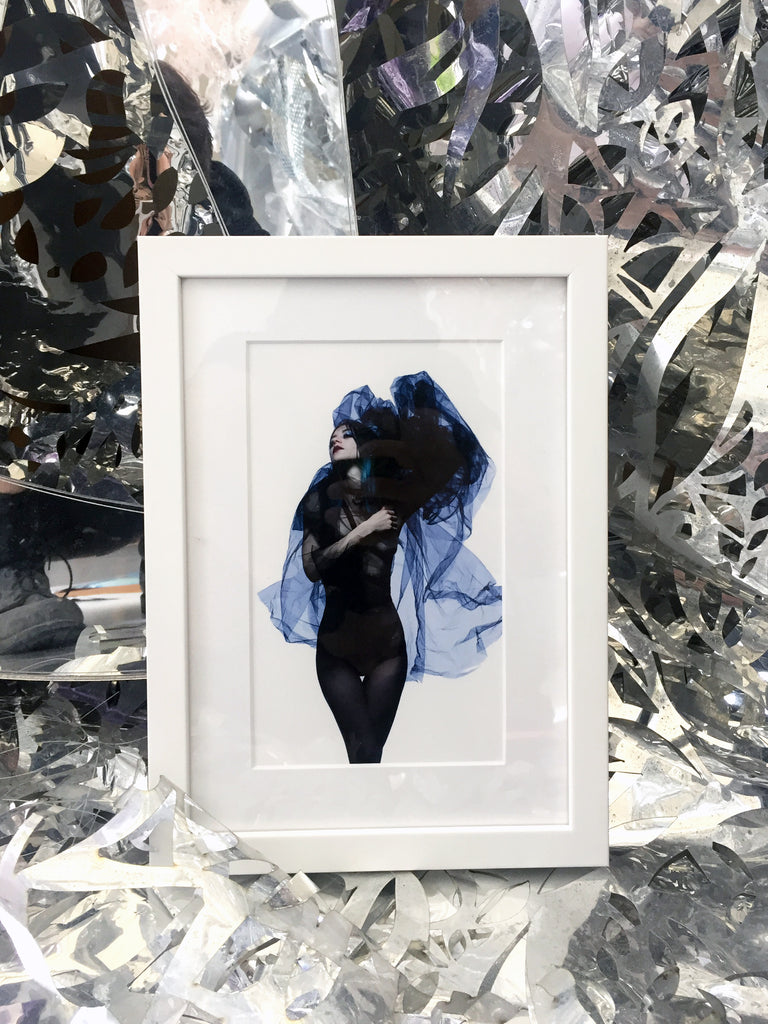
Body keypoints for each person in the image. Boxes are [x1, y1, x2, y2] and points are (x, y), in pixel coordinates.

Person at [260, 371, 502, 764]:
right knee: (362, 752)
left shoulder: (394, 499)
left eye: (347, 434)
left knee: (370, 758)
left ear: (367, 446)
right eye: (332, 437)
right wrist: (363, 531)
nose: (335, 439)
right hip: (336, 647)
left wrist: (410, 422)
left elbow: (452, 461)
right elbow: (312, 568)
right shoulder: (319, 500)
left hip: (386, 647)